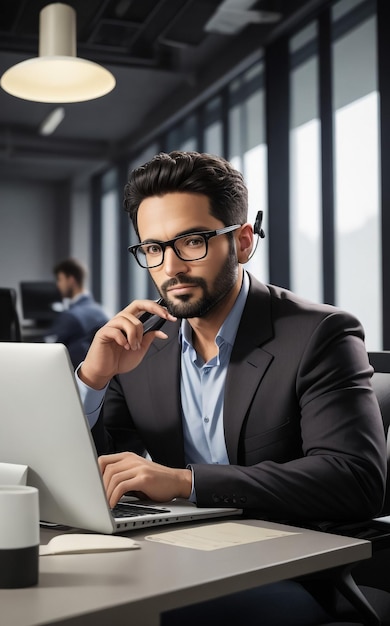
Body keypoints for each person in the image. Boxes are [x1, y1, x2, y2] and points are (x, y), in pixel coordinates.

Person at [75, 151, 387, 624]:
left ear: (242, 243)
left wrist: (186, 482)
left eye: (192, 242)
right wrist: (94, 381)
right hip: (180, 552)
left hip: (297, 565)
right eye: (153, 248)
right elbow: (98, 469)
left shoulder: (320, 334)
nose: (170, 268)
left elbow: (354, 479)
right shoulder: (142, 346)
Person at [44, 258, 108, 368]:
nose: (58, 285)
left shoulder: (71, 317)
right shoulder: (101, 312)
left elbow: (47, 349)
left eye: (60, 279)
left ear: (71, 280)